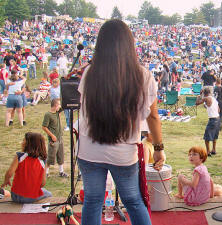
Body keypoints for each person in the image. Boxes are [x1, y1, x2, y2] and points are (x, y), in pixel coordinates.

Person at [77, 20, 164, 225]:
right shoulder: (143, 76)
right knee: (133, 201)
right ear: (129, 44)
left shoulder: (89, 72)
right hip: (123, 153)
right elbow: (153, 117)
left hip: (90, 149)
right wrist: (158, 148)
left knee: (92, 201)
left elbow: (84, 109)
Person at [1, 132, 52, 203]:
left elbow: (9, 172)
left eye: (23, 141)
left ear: (28, 144)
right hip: (31, 197)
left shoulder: (19, 156)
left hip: (15, 195)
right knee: (49, 194)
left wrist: (6, 180)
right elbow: (43, 183)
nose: (21, 143)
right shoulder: (43, 161)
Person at [42, 99, 68, 178]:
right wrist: (52, 135)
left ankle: (61, 171)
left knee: (61, 155)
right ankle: (46, 173)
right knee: (51, 156)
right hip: (53, 140)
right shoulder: (48, 115)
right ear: (55, 105)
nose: (59, 106)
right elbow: (44, 127)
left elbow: (64, 106)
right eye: (58, 105)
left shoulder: (57, 113)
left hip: (60, 138)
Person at [196, 87, 219, 156]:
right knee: (214, 136)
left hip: (212, 119)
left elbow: (197, 103)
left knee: (206, 137)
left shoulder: (206, 98)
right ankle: (214, 150)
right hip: (217, 118)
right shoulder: (214, 99)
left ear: (204, 93)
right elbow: (218, 109)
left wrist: (199, 95)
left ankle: (208, 151)